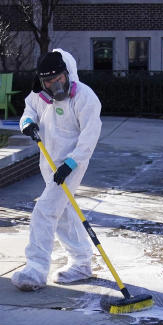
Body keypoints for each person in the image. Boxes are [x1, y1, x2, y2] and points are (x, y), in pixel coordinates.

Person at [12, 49, 102, 291]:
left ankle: (36, 269)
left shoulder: (85, 98)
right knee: (62, 212)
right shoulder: (40, 95)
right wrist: (27, 123)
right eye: (49, 81)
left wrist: (71, 164)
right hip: (48, 162)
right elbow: (29, 110)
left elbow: (89, 137)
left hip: (72, 164)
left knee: (44, 211)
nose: (54, 85)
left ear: (67, 74)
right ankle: (82, 262)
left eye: (58, 79)